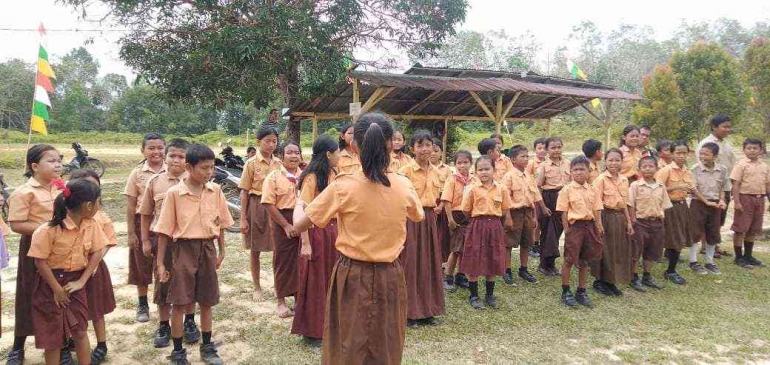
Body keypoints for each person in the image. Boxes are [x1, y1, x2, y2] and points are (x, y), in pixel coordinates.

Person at [293, 112, 424, 364]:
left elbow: (300, 224)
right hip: (390, 275)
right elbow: (418, 215)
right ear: (390, 144)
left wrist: (301, 202)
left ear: (353, 146)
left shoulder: (342, 186)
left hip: (351, 275)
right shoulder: (403, 185)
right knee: (386, 343)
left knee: (346, 344)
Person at [154, 143, 234, 365]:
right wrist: (161, 264)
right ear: (189, 167)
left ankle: (207, 347)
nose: (210, 173)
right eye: (205, 168)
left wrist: (222, 251)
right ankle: (178, 352)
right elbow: (164, 232)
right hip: (182, 251)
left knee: (207, 301)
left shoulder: (215, 190)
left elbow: (221, 224)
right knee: (180, 303)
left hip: (207, 249)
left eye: (212, 168)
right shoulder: (174, 194)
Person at [29, 178, 106, 365]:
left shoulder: (91, 224)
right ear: (88, 205)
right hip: (49, 284)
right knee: (52, 338)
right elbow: (40, 261)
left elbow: (98, 251)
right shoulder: (48, 230)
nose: (99, 205)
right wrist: (56, 289)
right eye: (98, 202)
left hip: (75, 282)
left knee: (80, 330)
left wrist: (82, 281)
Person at [138, 138, 200, 348]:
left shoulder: (195, 181)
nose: (176, 160)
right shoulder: (155, 182)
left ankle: (190, 321)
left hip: (188, 241)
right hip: (162, 241)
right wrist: (146, 240)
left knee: (189, 282)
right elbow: (145, 214)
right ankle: (164, 324)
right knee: (163, 283)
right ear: (165, 157)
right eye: (172, 155)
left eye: (181, 156)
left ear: (188, 160)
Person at [6, 144, 62, 364]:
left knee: (58, 295)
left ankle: (62, 344)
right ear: (35, 166)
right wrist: (46, 229)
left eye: (59, 160)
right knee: (29, 295)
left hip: (59, 250)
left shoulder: (61, 186)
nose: (58, 164)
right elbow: (16, 224)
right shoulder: (24, 192)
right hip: (33, 250)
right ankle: (18, 347)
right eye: (51, 160)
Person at [291, 135, 340, 347]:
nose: (339, 155)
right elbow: (302, 211)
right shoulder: (311, 178)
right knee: (315, 282)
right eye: (337, 152)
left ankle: (329, 327)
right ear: (329, 154)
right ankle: (312, 331)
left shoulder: (335, 174)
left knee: (330, 278)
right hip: (315, 233)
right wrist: (306, 243)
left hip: (332, 232)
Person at [69, 170, 118, 364]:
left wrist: (94, 263)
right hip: (71, 271)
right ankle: (69, 343)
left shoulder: (101, 216)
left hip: (95, 270)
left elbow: (107, 242)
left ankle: (101, 343)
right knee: (71, 310)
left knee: (97, 309)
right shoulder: (65, 216)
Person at [399, 131, 445, 327]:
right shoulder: (406, 171)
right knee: (410, 264)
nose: (425, 149)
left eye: (428, 145)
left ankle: (428, 310)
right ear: (412, 149)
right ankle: (409, 312)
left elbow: (440, 197)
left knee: (429, 264)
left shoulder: (438, 172)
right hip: (410, 220)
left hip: (430, 221)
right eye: (420, 145)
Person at [123, 133, 166, 322]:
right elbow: (131, 206)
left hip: (165, 223)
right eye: (151, 148)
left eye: (159, 147)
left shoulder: (172, 170)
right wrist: (132, 233)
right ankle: (142, 304)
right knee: (141, 264)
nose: (156, 151)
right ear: (143, 150)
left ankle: (163, 301)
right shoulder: (137, 173)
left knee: (164, 263)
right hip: (143, 223)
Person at [460, 155, 513, 309]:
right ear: (475, 172)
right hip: (476, 225)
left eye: (487, 169)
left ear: (494, 170)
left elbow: (504, 210)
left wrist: (493, 223)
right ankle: (474, 295)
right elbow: (466, 210)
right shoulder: (472, 189)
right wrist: (479, 221)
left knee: (493, 258)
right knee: (474, 258)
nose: (484, 172)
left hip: (495, 227)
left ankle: (489, 295)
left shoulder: (501, 189)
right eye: (480, 169)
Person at [239, 127, 281, 301]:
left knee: (278, 249)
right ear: (259, 142)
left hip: (275, 207)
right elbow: (244, 192)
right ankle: (257, 287)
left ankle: (279, 285)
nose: (271, 145)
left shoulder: (278, 163)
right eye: (267, 141)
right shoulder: (251, 164)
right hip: (256, 206)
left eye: (274, 141)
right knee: (255, 249)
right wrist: (242, 218)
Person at [262, 141, 303, 318]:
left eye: (297, 152)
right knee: (282, 261)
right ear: (282, 155)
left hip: (303, 220)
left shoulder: (306, 176)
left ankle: (299, 299)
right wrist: (286, 225)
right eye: (289, 152)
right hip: (281, 221)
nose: (294, 156)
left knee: (302, 260)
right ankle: (280, 301)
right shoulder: (273, 177)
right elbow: (268, 204)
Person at [556, 156, 603, 308]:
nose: (578, 173)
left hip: (589, 226)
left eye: (582, 169)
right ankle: (566, 291)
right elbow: (563, 212)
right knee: (569, 260)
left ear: (589, 171)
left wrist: (599, 225)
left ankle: (581, 291)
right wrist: (567, 230)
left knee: (585, 260)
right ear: (570, 172)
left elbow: (596, 209)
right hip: (574, 227)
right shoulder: (566, 190)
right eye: (575, 170)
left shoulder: (593, 189)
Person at [503, 145, 549, 285]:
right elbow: (504, 199)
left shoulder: (529, 176)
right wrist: (508, 217)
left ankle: (523, 269)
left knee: (526, 242)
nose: (526, 159)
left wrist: (535, 215)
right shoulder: (509, 176)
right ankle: (507, 270)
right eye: (522, 156)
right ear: (512, 159)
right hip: (514, 213)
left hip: (528, 213)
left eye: (527, 156)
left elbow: (533, 197)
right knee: (508, 243)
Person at [590, 148, 633, 297]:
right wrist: (598, 223)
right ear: (605, 162)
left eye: (617, 160)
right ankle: (600, 281)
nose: (614, 163)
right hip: (605, 217)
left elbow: (624, 203)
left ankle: (611, 281)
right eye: (610, 160)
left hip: (619, 217)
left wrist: (628, 222)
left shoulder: (624, 180)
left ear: (622, 162)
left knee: (618, 250)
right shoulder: (600, 179)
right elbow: (595, 204)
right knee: (605, 249)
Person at [656, 141, 697, 285]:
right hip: (669, 206)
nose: (681, 156)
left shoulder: (688, 171)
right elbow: (656, 189)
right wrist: (676, 187)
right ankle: (670, 271)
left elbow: (691, 188)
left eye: (684, 153)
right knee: (674, 238)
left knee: (680, 238)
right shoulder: (666, 170)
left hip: (682, 206)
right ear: (672, 154)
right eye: (678, 153)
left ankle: (671, 269)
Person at [696, 115, 737, 258]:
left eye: (728, 127)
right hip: (709, 189)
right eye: (724, 126)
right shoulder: (706, 143)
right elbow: (701, 166)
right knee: (706, 218)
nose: (727, 129)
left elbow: (731, 165)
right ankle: (704, 246)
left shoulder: (726, 144)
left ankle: (714, 245)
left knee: (719, 217)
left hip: (724, 186)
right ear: (714, 127)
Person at [628, 156, 671, 292]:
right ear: (639, 169)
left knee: (652, 251)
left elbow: (664, 204)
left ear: (656, 169)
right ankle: (634, 277)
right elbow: (630, 205)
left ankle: (647, 275)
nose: (647, 169)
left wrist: (661, 220)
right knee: (637, 250)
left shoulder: (660, 186)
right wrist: (633, 220)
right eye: (644, 166)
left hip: (656, 222)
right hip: (640, 222)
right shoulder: (635, 186)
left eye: (651, 166)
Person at [730, 138, 770, 269]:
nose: (752, 151)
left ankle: (748, 255)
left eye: (755, 148)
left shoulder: (765, 166)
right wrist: (737, 202)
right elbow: (736, 184)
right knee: (740, 229)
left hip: (759, 199)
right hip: (745, 198)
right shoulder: (740, 165)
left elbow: (767, 185)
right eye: (749, 148)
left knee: (753, 229)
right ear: (744, 150)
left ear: (761, 150)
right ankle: (738, 257)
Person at [689, 142, 728, 275]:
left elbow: (724, 187)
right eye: (701, 153)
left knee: (713, 232)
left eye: (706, 154)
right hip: (698, 203)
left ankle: (709, 262)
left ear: (715, 156)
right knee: (695, 231)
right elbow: (693, 189)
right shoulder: (695, 169)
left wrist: (722, 200)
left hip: (715, 204)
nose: (703, 156)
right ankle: (693, 261)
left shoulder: (722, 169)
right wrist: (706, 201)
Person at [536, 137, 571, 276]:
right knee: (548, 234)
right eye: (553, 147)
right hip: (550, 199)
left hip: (565, 199)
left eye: (559, 147)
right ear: (547, 150)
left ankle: (551, 264)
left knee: (558, 233)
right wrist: (543, 207)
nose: (556, 150)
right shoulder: (543, 166)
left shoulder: (568, 163)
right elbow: (538, 188)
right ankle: (544, 265)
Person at [440, 150, 473, 291]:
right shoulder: (452, 180)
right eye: (459, 163)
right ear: (455, 164)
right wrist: (450, 220)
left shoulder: (474, 180)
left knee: (467, 248)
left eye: (465, 162)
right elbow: (447, 201)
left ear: (471, 164)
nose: (462, 166)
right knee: (456, 248)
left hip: (470, 217)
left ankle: (461, 275)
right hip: (456, 216)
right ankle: (448, 276)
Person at [431, 138, 452, 262]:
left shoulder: (447, 169)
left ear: (441, 152)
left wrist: (441, 206)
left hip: (442, 203)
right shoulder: (422, 167)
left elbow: (448, 191)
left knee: (442, 235)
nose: (433, 153)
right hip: (427, 203)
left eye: (436, 150)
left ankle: (441, 262)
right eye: (431, 150)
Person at [526, 137, 547, 259]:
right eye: (539, 148)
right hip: (535, 196)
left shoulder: (548, 162)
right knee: (535, 221)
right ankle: (532, 245)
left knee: (543, 222)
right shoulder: (531, 163)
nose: (542, 151)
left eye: (544, 148)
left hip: (546, 195)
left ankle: (539, 243)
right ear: (535, 150)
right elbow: (528, 179)